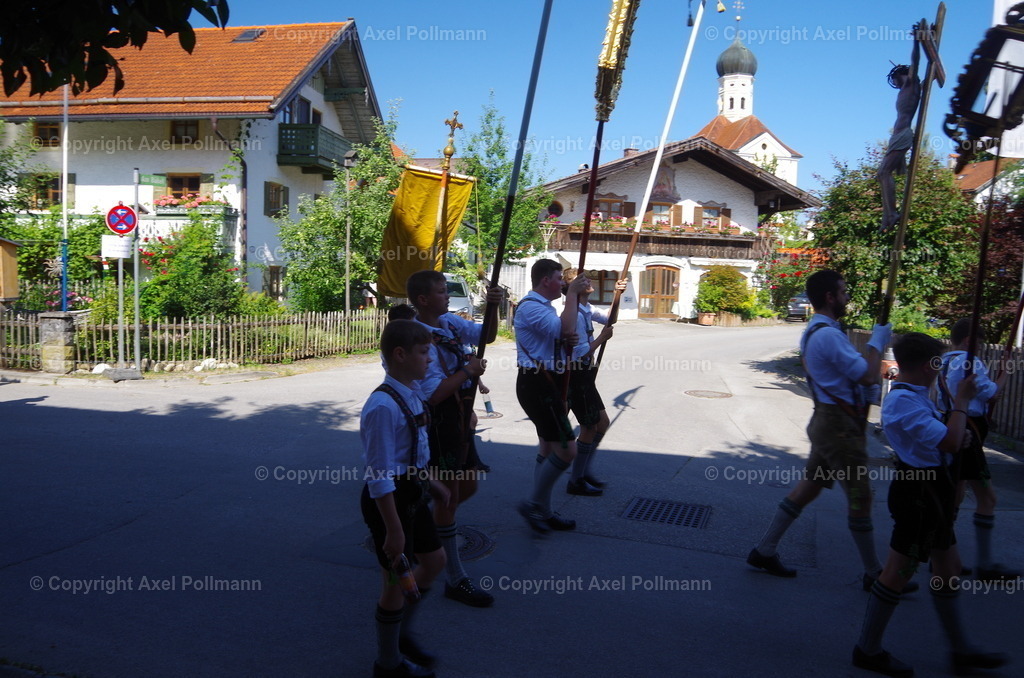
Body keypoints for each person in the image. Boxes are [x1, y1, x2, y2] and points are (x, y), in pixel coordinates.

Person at [852, 333, 1007, 677]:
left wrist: (958, 429)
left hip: (933, 491)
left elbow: (948, 435)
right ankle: (867, 649)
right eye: (938, 363)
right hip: (918, 494)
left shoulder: (918, 397)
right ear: (928, 367)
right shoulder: (904, 402)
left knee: (948, 571)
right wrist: (962, 406)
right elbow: (951, 442)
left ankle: (960, 649)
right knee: (897, 573)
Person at [747, 270, 910, 592]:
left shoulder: (818, 330)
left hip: (829, 421)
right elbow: (865, 376)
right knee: (861, 498)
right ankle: (875, 573)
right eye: (844, 291)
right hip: (838, 427)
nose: (848, 296)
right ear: (830, 297)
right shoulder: (828, 335)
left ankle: (764, 550)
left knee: (808, 488)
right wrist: (878, 342)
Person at [407, 270, 502, 607]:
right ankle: (454, 577)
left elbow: (484, 336)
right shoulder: (419, 337)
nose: (447, 295)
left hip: (459, 417)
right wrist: (467, 372)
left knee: (467, 487)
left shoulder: (449, 323)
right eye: (440, 291)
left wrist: (494, 307)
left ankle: (421, 525)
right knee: (448, 498)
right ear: (422, 299)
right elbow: (432, 394)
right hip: (439, 422)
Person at [360, 319, 449, 678]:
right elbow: (379, 475)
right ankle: (388, 663)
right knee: (394, 584)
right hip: (389, 503)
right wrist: (393, 531)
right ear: (400, 354)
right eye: (424, 351)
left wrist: (431, 481)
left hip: (411, 491)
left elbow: (411, 450)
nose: (430, 359)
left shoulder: (410, 392)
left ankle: (402, 634)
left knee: (435, 561)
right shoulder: (383, 406)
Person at [935, 319, 1018, 581]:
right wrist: (1005, 373)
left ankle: (942, 553)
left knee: (955, 494)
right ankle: (984, 563)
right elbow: (991, 392)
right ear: (970, 340)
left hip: (951, 426)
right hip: (968, 434)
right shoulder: (971, 362)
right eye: (979, 341)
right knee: (987, 498)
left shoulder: (945, 362)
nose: (981, 347)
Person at [514, 259, 590, 533]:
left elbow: (560, 334)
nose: (563, 282)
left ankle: (543, 510)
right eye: (559, 278)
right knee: (567, 449)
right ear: (545, 280)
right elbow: (564, 329)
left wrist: (563, 340)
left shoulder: (542, 308)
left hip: (547, 382)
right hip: (537, 384)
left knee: (547, 448)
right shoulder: (530, 306)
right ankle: (533, 503)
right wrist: (572, 297)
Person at [565, 273, 628, 496]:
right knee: (589, 426)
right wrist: (601, 339)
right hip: (575, 374)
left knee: (601, 424)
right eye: (581, 279)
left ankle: (583, 471)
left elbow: (611, 318)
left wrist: (618, 294)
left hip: (584, 373)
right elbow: (575, 352)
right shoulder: (568, 312)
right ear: (571, 286)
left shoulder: (587, 308)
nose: (588, 281)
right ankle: (575, 479)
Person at [877, 39, 921, 233]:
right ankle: (887, 216)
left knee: (884, 172)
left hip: (903, 134)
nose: (893, 83)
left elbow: (916, 61)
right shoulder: (905, 89)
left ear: (899, 75)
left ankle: (892, 214)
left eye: (893, 79)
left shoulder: (911, 83)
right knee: (882, 174)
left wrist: (917, 41)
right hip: (897, 135)